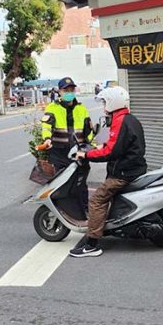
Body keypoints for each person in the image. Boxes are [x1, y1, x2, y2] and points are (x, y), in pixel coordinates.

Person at [70, 86, 147, 258]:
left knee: (97, 200)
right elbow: (116, 145)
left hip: (123, 172)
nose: (104, 106)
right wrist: (100, 147)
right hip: (132, 168)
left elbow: (111, 152)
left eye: (105, 102)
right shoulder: (129, 118)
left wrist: (87, 154)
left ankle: (91, 245)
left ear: (113, 102)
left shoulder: (120, 121)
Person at [41, 77, 94, 222]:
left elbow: (88, 130)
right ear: (59, 91)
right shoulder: (52, 108)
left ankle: (84, 211)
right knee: (62, 184)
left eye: (71, 89)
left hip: (79, 154)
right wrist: (47, 139)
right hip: (60, 153)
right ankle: (63, 212)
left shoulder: (81, 108)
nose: (69, 92)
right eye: (66, 90)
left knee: (81, 184)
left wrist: (91, 146)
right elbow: (46, 126)